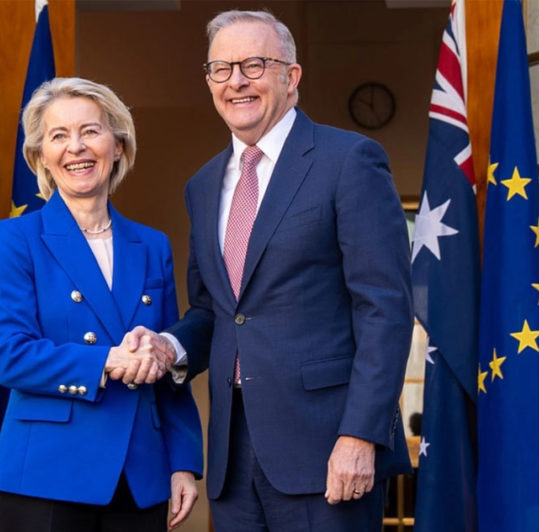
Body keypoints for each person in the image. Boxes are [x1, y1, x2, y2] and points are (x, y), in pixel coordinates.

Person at [129, 10, 413, 531]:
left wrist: (360, 435)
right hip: (233, 458)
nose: (236, 80)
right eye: (221, 69)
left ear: (292, 75)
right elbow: (215, 311)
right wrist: (170, 347)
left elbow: (385, 309)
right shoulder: (202, 185)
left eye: (254, 65)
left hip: (328, 449)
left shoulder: (349, 160)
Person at [0, 77, 202, 532]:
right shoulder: (16, 238)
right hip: (47, 475)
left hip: (140, 474)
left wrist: (182, 460)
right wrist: (107, 361)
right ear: (41, 156)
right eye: (59, 136)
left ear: (118, 146)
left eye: (90, 131)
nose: (76, 148)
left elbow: (164, 361)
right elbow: (9, 354)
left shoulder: (152, 245)